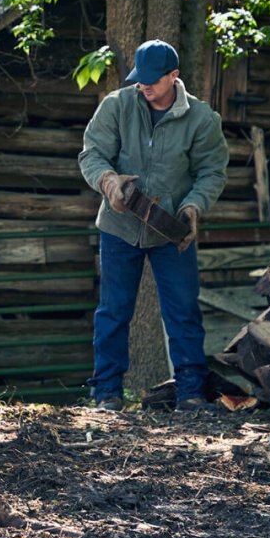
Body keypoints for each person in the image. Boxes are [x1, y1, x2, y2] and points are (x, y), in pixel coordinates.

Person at [77, 39, 229, 412]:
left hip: (172, 229)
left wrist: (194, 206)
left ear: (173, 76)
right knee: (113, 311)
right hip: (119, 226)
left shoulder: (202, 119)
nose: (143, 86)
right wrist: (109, 182)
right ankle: (106, 394)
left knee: (182, 311)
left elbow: (212, 171)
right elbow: (92, 153)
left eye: (151, 80)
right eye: (139, 79)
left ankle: (191, 393)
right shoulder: (117, 105)